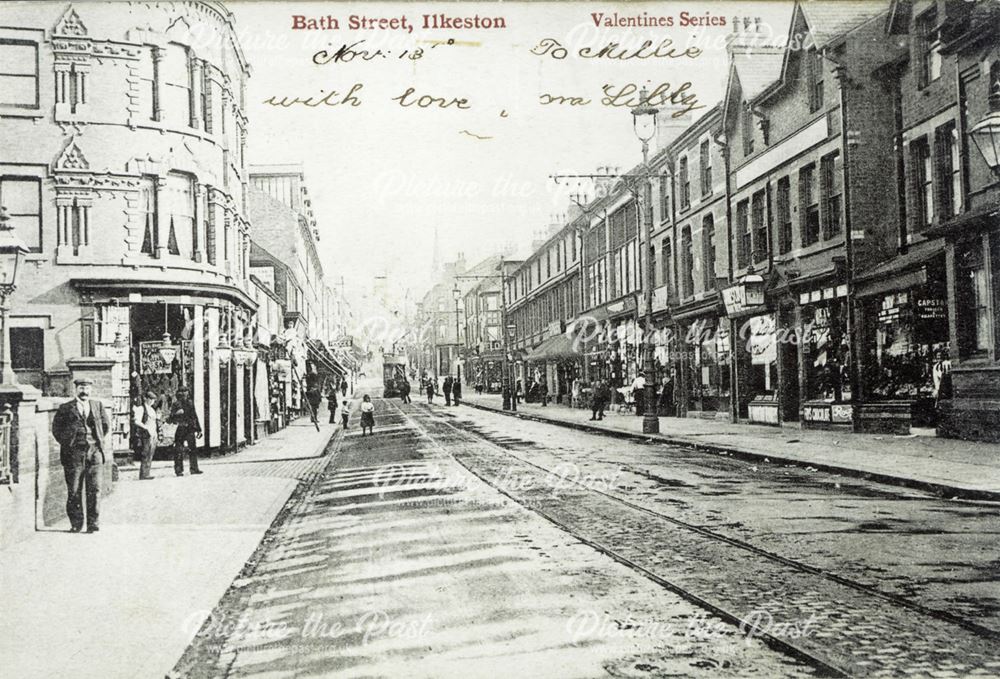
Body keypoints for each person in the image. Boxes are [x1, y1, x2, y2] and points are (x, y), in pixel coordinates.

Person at [51, 378, 111, 533]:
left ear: (91, 390)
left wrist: (95, 442)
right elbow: (56, 429)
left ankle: (93, 523)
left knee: (95, 489)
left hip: (94, 452)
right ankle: (76, 524)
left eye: (87, 388)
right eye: (81, 388)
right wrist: (69, 444)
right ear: (75, 389)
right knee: (74, 490)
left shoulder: (97, 406)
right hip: (74, 454)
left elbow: (105, 426)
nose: (84, 391)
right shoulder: (65, 408)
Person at [169, 387, 202, 477]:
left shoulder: (190, 403)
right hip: (181, 428)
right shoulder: (176, 404)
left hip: (189, 428)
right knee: (179, 449)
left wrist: (199, 429)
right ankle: (179, 470)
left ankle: (193, 468)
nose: (184, 395)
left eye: (185, 392)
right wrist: (177, 413)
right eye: (182, 393)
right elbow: (170, 418)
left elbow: (194, 416)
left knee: (192, 449)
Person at [133, 391, 160, 480]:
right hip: (146, 433)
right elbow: (137, 421)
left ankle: (147, 472)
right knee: (146, 453)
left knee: (151, 453)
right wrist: (145, 427)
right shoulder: (141, 408)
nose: (152, 401)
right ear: (146, 399)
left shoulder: (152, 409)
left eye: (153, 400)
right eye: (151, 399)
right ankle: (143, 474)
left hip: (153, 433)